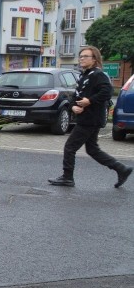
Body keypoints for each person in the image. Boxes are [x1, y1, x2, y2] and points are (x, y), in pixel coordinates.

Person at [48, 45, 132, 188]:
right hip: (86, 118)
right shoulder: (84, 75)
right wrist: (73, 106)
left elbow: (107, 91)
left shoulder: (98, 75)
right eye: (81, 56)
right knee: (92, 149)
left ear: (94, 59)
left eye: (85, 56)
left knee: (70, 147)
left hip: (91, 118)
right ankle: (121, 169)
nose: (82, 59)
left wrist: (90, 101)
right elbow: (76, 95)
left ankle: (67, 177)